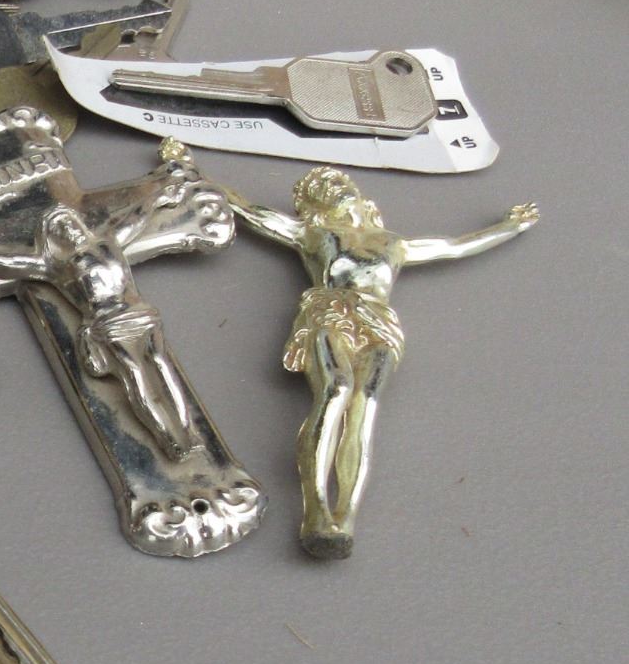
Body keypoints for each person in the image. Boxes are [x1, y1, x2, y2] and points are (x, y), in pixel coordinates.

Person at [228, 168, 538, 558]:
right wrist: (191, 171)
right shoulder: (314, 234)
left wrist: (510, 227)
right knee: (336, 390)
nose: (339, 190)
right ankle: (316, 509)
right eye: (327, 188)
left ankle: (345, 517)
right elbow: (249, 210)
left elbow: (453, 246)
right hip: (330, 315)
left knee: (365, 404)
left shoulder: (393, 243)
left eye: (341, 184)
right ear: (316, 203)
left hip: (378, 325)